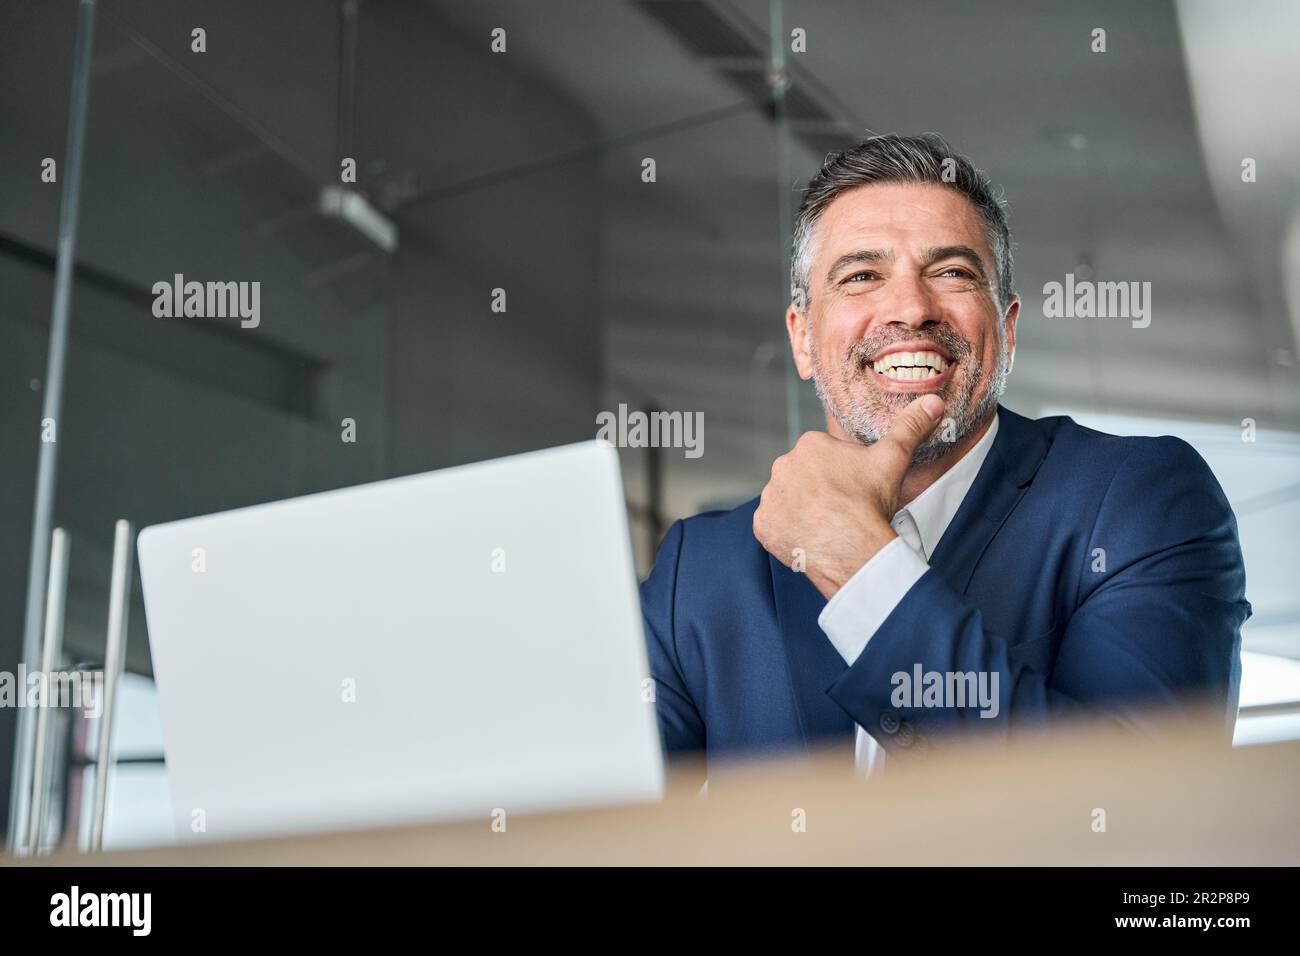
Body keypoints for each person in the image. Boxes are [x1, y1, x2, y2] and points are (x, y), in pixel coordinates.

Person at [640, 133, 1249, 770]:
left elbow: (1135, 801)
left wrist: (858, 563)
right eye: (861, 276)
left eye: (952, 272)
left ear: (1007, 330)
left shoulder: (1138, 498)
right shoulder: (698, 569)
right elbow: (601, 821)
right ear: (803, 338)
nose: (910, 308)